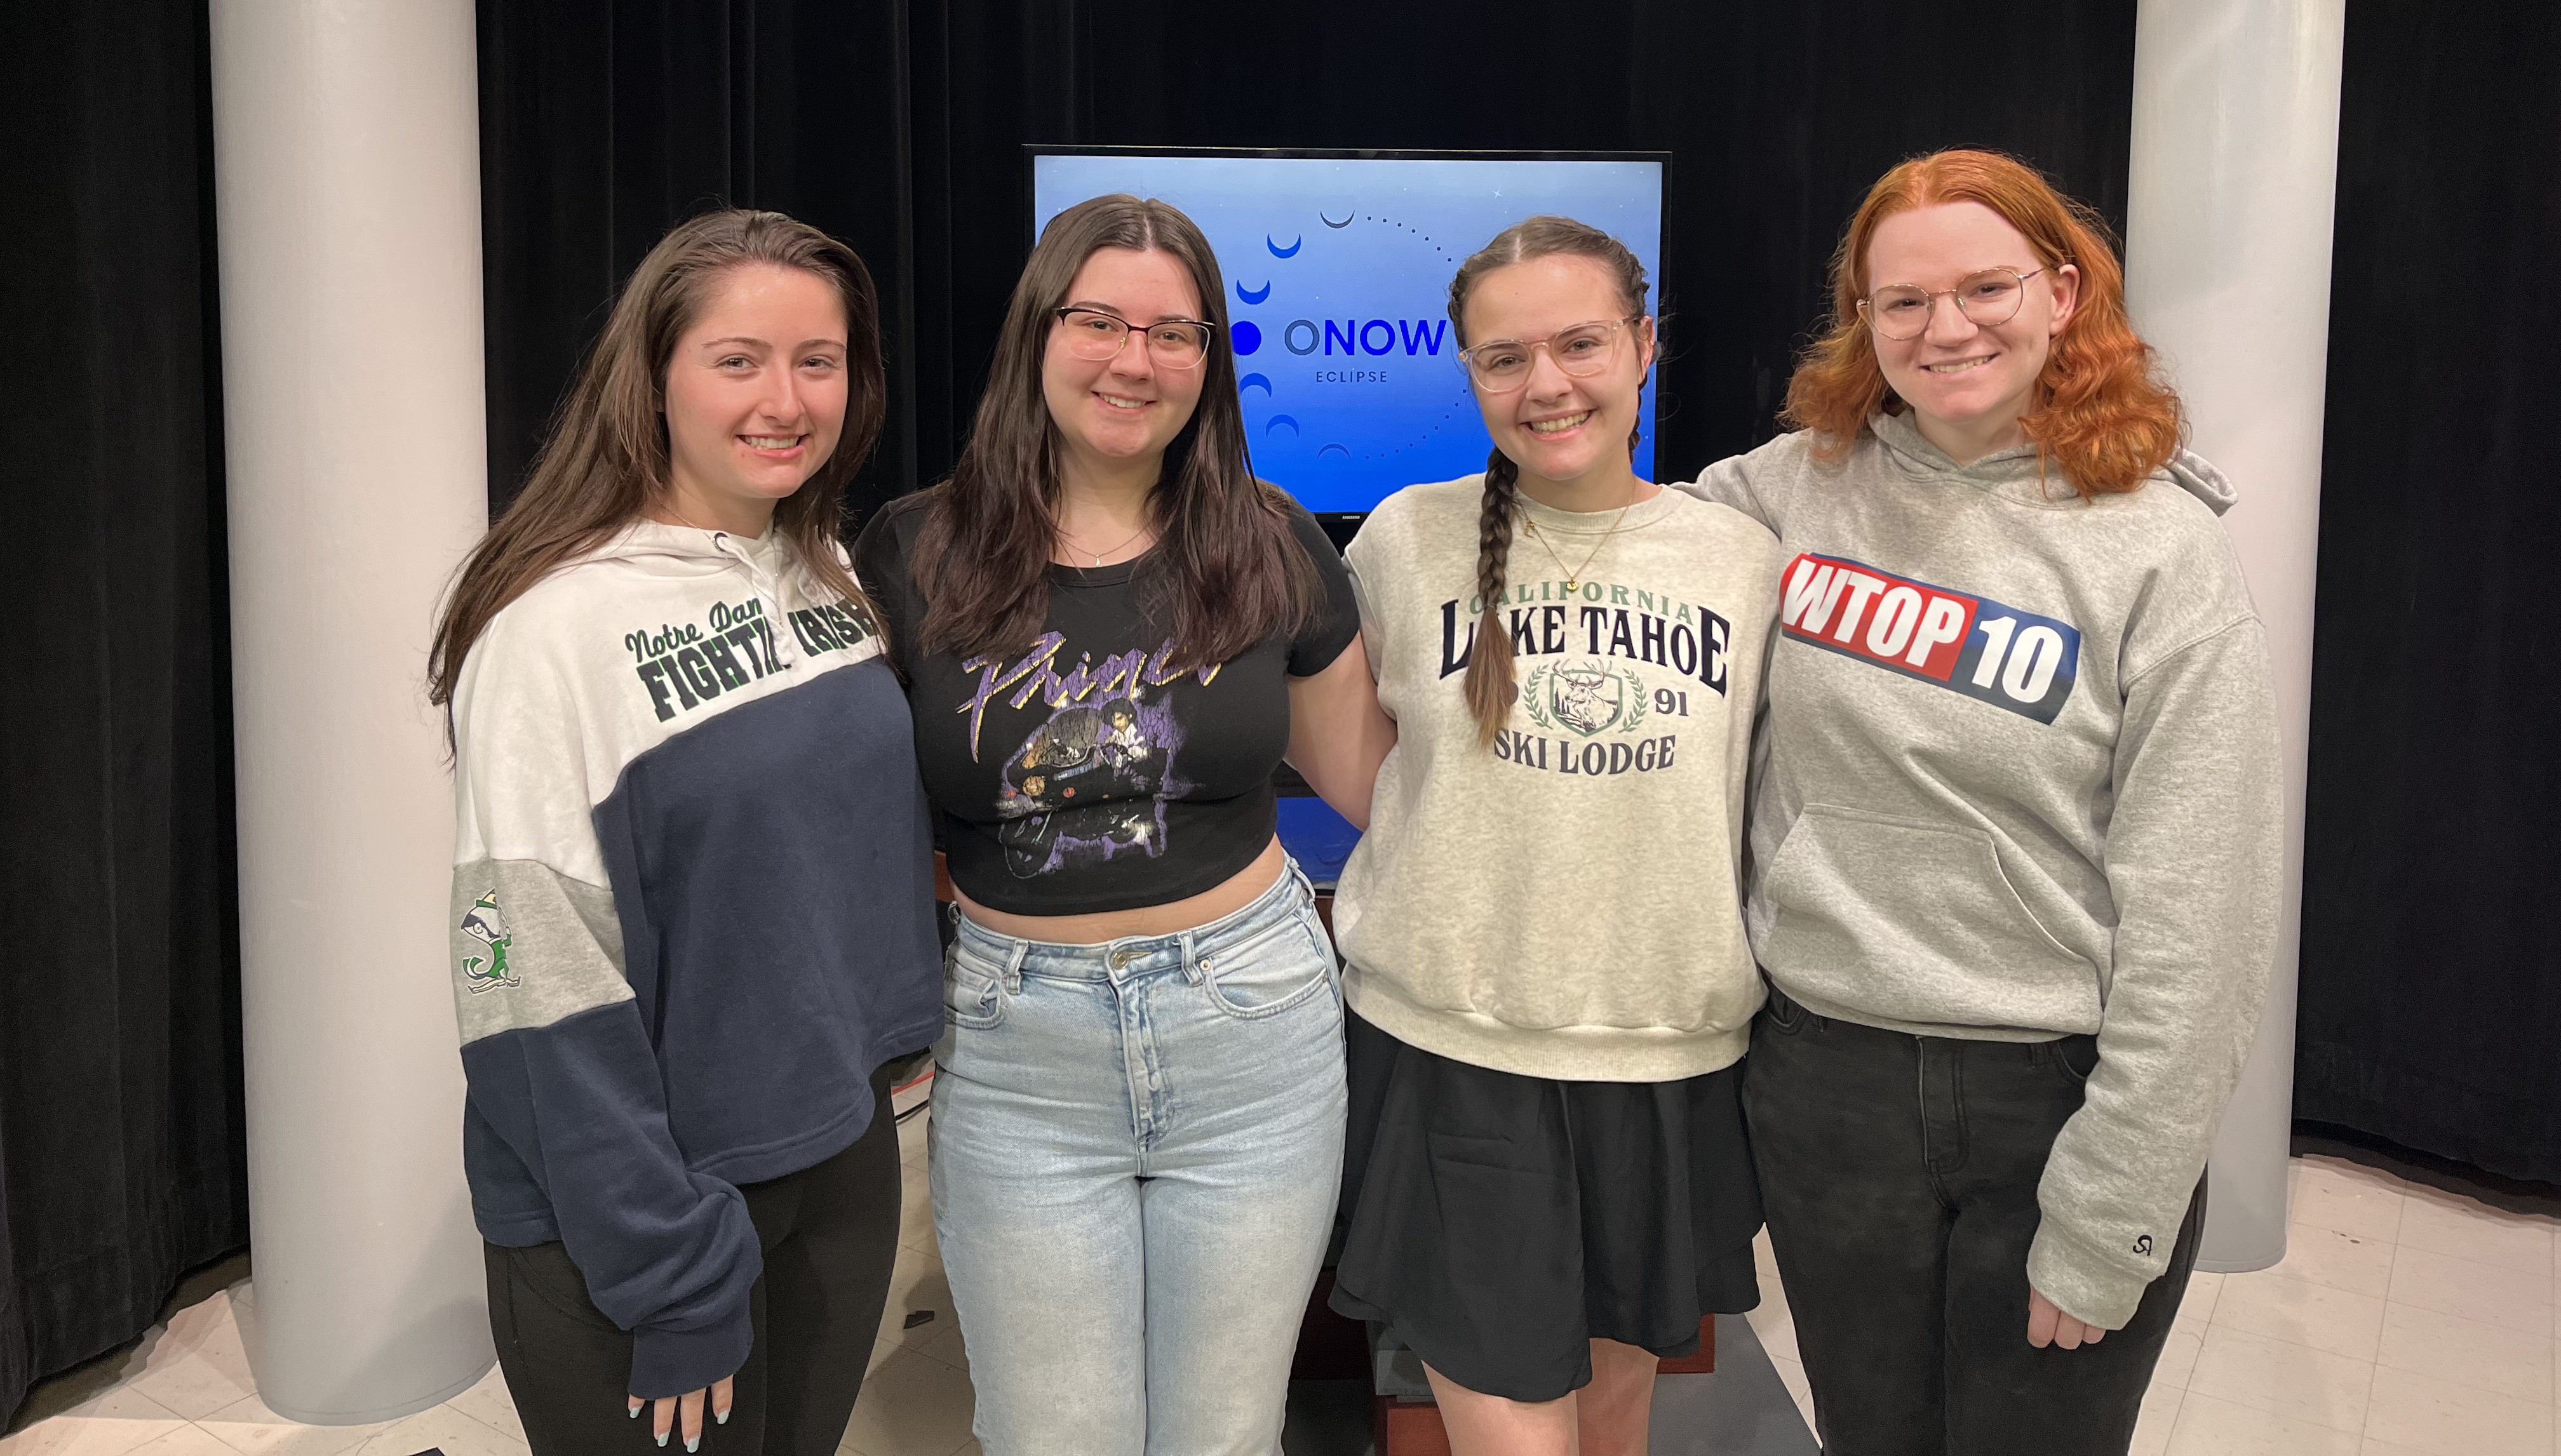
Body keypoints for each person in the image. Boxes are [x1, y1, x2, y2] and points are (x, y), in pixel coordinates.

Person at [1688, 149, 2283, 1455]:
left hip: (2053, 1101)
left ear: (2063, 294)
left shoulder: (2159, 550)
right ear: (1864, 318)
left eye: (1985, 288)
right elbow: (1598, 551)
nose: (1944, 328)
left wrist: (2117, 1200)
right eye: (1902, 302)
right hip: (1826, 1086)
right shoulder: (1778, 496)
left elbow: (2204, 912)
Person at [852, 194, 1392, 1456]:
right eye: (1098, 320)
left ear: (1210, 360)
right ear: (1037, 332)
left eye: (1174, 331)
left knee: (1222, 1436)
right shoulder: (913, 549)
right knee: (1054, 1438)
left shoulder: (1269, 541)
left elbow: (1378, 787)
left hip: (1252, 1033)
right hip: (1014, 1046)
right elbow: (849, 811)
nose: (1133, 359)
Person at [427, 210, 941, 1456]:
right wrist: (667, 1272)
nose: (786, 398)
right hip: (650, 1204)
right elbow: (531, 981)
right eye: (738, 360)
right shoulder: (551, 629)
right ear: (652, 378)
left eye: (819, 361)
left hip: (838, 1153)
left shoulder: (821, 566)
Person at [1326, 217, 1782, 1456]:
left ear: (1646, 345)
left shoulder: (1743, 560)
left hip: (1665, 1058)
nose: (1547, 385)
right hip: (1460, 1051)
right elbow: (1361, 768)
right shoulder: (1402, 540)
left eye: (1580, 344)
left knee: (1616, 1417)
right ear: (1467, 371)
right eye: (1503, 358)